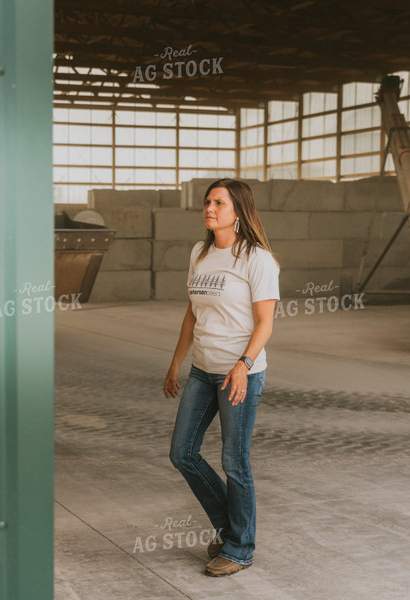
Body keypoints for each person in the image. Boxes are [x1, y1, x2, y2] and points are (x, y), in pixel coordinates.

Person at [164, 178, 279, 577]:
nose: (209, 209)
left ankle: (240, 548)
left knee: (235, 461)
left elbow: (265, 323)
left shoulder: (257, 259)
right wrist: (177, 361)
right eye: (207, 202)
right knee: (183, 453)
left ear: (238, 211)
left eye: (218, 203)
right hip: (202, 369)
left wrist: (243, 365)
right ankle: (231, 528)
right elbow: (192, 312)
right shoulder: (200, 252)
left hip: (239, 374)